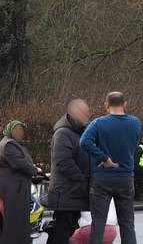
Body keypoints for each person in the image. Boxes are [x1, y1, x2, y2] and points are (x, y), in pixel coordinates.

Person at [79, 91, 142, 244]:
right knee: (127, 223)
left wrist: (104, 158)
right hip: (125, 177)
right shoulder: (135, 123)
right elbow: (133, 142)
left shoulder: (98, 123)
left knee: (98, 224)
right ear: (125, 105)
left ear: (106, 105)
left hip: (103, 177)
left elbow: (84, 142)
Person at [45, 99, 93, 244]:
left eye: (87, 112)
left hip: (76, 192)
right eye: (82, 112)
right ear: (73, 113)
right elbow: (63, 161)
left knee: (70, 232)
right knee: (63, 231)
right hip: (66, 193)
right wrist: (82, 179)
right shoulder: (63, 133)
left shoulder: (81, 132)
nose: (86, 115)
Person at [0, 120, 44, 244]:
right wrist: (35, 169)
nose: (20, 133)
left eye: (21, 130)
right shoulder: (9, 144)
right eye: (17, 130)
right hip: (11, 191)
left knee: (18, 221)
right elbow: (20, 163)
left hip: (16, 190)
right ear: (10, 130)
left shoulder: (15, 143)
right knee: (13, 222)